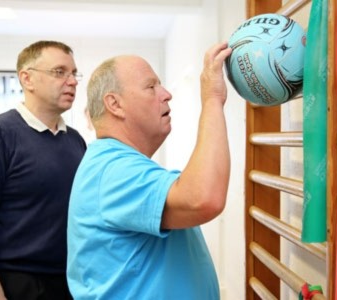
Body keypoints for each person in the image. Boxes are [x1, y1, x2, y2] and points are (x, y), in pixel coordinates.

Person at [67, 42, 232, 299]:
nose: (166, 94)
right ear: (115, 104)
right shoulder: (112, 170)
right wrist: (212, 99)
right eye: (151, 86)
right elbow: (202, 199)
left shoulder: (118, 164)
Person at [0, 40, 86, 300]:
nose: (73, 81)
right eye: (59, 72)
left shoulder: (75, 140)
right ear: (27, 79)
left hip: (67, 283)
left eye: (74, 73)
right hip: (14, 284)